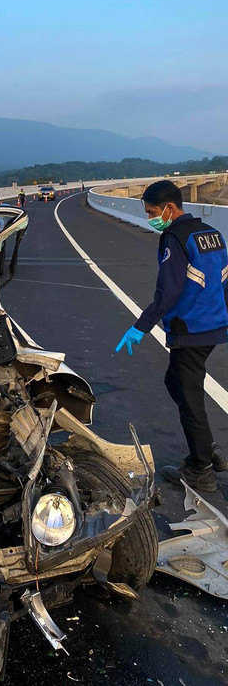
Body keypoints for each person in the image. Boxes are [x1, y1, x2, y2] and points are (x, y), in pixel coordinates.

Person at [115, 180, 228, 492]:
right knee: (176, 382)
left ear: (169, 208)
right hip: (213, 326)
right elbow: (225, 279)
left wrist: (141, 326)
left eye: (152, 211)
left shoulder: (174, 237)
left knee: (187, 394)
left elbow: (169, 291)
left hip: (189, 329)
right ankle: (205, 445)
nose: (152, 217)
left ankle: (200, 467)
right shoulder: (212, 234)